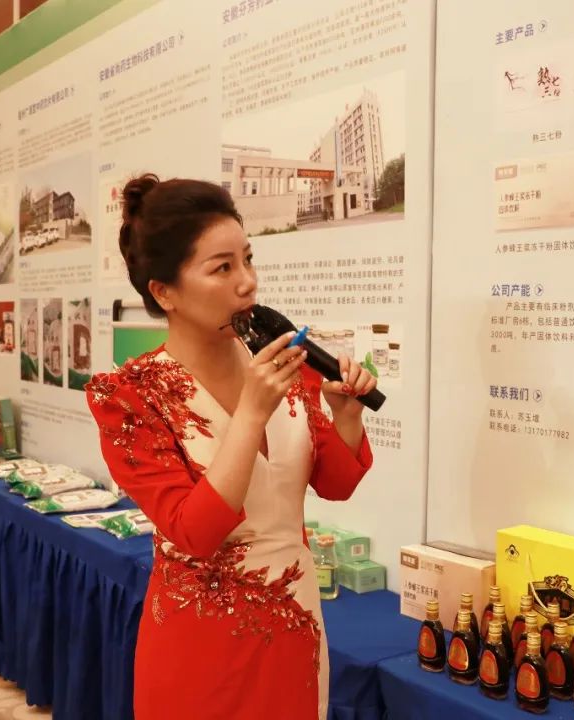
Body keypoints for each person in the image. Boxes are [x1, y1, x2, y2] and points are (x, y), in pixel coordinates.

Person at [85, 174, 375, 719]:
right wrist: (251, 414)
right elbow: (194, 532)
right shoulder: (130, 397)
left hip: (294, 621)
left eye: (248, 259)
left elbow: (335, 485)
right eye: (222, 268)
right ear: (164, 292)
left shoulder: (282, 363)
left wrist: (347, 415)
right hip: (200, 638)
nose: (248, 283)